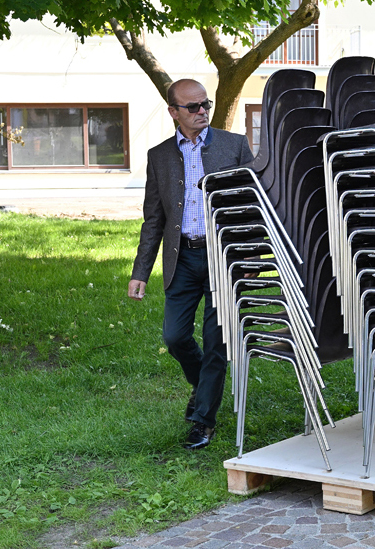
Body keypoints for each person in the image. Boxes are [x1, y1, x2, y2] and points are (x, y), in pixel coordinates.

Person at [128, 79, 253, 450]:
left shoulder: (234, 146)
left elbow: (253, 206)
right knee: (175, 337)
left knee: (216, 343)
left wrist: (250, 257)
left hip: (223, 258)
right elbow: (154, 219)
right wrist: (140, 272)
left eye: (206, 104)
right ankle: (203, 388)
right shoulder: (159, 156)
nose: (202, 112)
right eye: (193, 107)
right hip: (181, 257)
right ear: (174, 112)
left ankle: (203, 421)